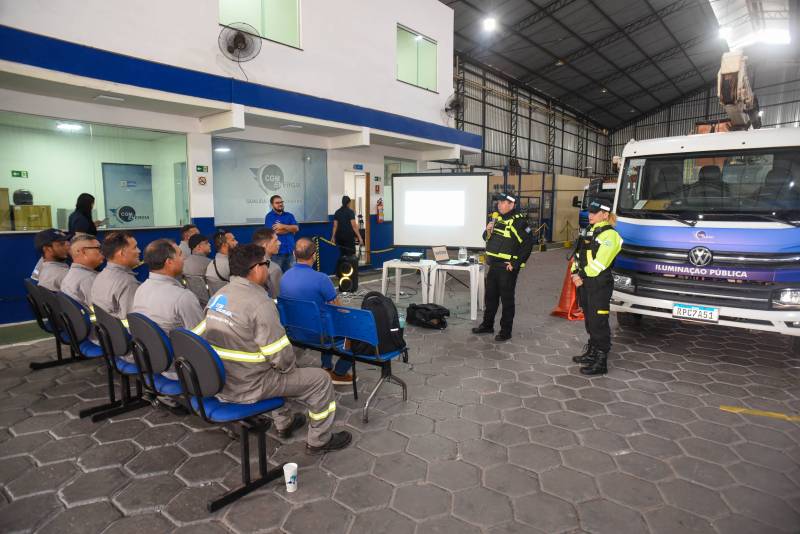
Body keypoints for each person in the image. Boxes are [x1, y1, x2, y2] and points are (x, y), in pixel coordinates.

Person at [193, 244, 351, 455]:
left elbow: (199, 336)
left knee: (269, 367)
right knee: (319, 380)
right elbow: (282, 358)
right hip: (249, 385)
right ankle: (320, 440)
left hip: (222, 378)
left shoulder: (219, 296)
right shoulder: (260, 304)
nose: (267, 269)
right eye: (266, 264)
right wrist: (290, 371)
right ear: (256, 268)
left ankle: (284, 423)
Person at [281, 238, 353, 385]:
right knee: (354, 330)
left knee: (323, 319)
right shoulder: (321, 279)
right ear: (314, 255)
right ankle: (339, 373)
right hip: (319, 335)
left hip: (294, 332)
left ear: (294, 254)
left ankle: (326, 367)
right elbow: (337, 308)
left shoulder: (284, 277)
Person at [570, 195, 622, 376]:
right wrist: (574, 273)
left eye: (594, 212)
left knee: (598, 322)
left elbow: (600, 264)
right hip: (585, 281)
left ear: (605, 214)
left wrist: (580, 275)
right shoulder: (589, 231)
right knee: (590, 319)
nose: (590, 215)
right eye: (589, 211)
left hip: (599, 283)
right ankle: (592, 352)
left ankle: (601, 361)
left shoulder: (610, 235)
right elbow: (578, 255)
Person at [472, 194, 535, 342]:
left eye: (503, 203)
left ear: (512, 205)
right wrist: (488, 230)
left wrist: (516, 263)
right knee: (490, 298)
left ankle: (506, 331)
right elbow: (486, 238)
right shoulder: (497, 219)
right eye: (498, 202)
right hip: (493, 266)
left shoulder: (520, 223)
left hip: (507, 268)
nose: (499, 205)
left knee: (507, 300)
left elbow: (528, 244)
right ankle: (487, 325)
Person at [132, 239, 204, 335]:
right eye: (180, 255)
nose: (184, 258)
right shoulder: (183, 297)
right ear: (169, 262)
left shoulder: (141, 289)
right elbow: (201, 338)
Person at [92, 231, 141, 323]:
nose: (139, 251)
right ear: (121, 253)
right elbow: (133, 323)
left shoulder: (101, 275)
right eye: (135, 247)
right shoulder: (128, 283)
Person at [61, 234, 104, 309]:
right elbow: (106, 314)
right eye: (99, 249)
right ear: (83, 252)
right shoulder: (89, 280)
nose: (103, 252)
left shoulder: (72, 274)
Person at [264, 195, 299, 272]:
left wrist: (282, 226)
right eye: (277, 203)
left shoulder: (289, 215)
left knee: (291, 277)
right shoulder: (269, 217)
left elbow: (296, 228)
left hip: (290, 252)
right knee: (277, 277)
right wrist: (290, 229)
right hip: (277, 254)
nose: (280, 204)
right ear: (272, 205)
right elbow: (274, 232)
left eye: (281, 202)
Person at [252, 228, 283, 298]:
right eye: (276, 241)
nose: (279, 243)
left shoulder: (245, 262)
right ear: (265, 245)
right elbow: (276, 298)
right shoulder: (274, 269)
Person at [205, 230, 238, 295]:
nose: (237, 242)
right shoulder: (230, 266)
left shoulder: (211, 264)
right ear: (224, 245)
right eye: (233, 240)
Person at [183, 234, 212, 305]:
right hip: (209, 303)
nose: (210, 244)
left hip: (190, 302)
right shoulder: (211, 264)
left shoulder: (183, 263)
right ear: (199, 247)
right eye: (206, 243)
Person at [331, 195, 363, 259]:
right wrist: (360, 237)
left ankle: (344, 268)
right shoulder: (350, 212)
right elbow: (354, 226)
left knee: (343, 255)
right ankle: (351, 268)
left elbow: (335, 226)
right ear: (348, 203)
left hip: (339, 237)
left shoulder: (337, 212)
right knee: (351, 255)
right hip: (348, 237)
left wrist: (333, 237)